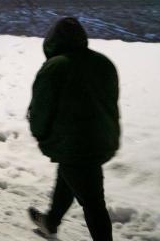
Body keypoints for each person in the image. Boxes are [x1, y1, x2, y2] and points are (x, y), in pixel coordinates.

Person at [27, 17, 120, 241]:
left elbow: (40, 109)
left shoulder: (55, 67)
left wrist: (40, 134)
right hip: (103, 139)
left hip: (74, 145)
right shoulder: (103, 62)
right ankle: (51, 222)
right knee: (68, 177)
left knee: (93, 202)